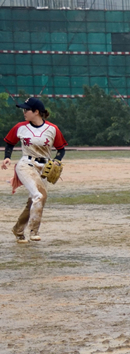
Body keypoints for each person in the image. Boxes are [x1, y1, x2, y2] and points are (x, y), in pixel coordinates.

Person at [2, 97, 68, 244]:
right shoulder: (20, 127)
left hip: (44, 168)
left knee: (36, 200)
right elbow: (9, 143)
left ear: (36, 112)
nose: (24, 112)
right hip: (26, 164)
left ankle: (18, 230)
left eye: (27, 109)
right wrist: (7, 157)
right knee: (38, 195)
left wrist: (57, 161)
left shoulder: (52, 129)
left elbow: (61, 150)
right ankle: (34, 231)